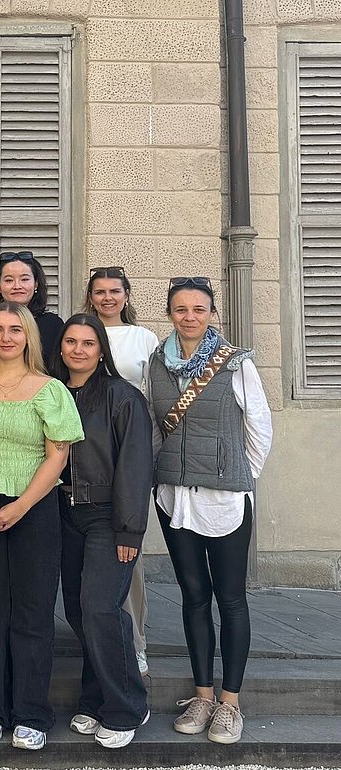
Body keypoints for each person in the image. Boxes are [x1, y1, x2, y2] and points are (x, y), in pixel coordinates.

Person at [0, 301, 83, 751]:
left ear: (29, 336)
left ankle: (30, 712)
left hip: (35, 509)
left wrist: (22, 505)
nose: (6, 337)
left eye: (15, 330)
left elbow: (57, 455)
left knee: (32, 612)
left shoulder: (50, 390)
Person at [147, 277, 271, 745]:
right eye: (181, 309)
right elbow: (153, 424)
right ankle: (202, 695)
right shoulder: (156, 363)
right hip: (175, 496)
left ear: (212, 313)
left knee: (231, 598)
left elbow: (258, 424)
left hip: (225, 499)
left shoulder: (234, 363)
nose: (190, 317)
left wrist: (241, 477)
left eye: (199, 309)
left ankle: (230, 702)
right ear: (170, 313)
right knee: (193, 595)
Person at [54, 313, 153, 749]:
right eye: (71, 342)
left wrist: (129, 530)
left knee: (100, 607)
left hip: (106, 516)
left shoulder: (122, 397)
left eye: (88, 343)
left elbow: (135, 467)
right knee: (79, 611)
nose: (78, 350)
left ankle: (127, 705)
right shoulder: (51, 392)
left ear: (101, 350)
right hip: (61, 512)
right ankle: (94, 698)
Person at [83, 266, 161, 676]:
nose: (108, 298)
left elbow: (154, 396)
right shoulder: (78, 332)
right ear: (91, 296)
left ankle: (137, 641)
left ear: (127, 296)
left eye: (115, 291)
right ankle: (95, 642)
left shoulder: (144, 338)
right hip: (88, 452)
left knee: (127, 547)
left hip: (129, 447)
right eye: (100, 291)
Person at [0, 252, 64, 371]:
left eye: (24, 279)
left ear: (36, 284)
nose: (17, 286)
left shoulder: (53, 325)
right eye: (9, 280)